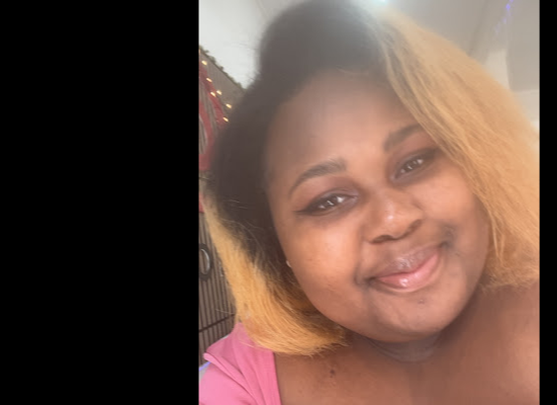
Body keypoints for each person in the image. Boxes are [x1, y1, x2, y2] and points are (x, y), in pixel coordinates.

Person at [199, 0, 539, 403]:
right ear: (275, 245)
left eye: (415, 162)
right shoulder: (240, 380)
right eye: (329, 200)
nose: (394, 219)